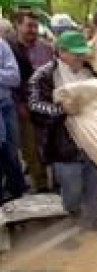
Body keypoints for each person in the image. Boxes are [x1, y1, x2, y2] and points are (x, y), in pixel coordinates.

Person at [28, 31, 97, 230]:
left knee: (95, 180)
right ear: (61, 52)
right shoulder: (44, 75)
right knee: (72, 187)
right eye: (76, 54)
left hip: (92, 138)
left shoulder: (88, 71)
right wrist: (60, 109)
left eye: (83, 53)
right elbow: (34, 105)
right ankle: (72, 209)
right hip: (63, 143)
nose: (81, 57)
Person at [12, 10, 54, 190]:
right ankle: (42, 185)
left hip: (46, 103)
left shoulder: (45, 47)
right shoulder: (10, 48)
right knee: (31, 147)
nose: (33, 30)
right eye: (29, 25)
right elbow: (12, 81)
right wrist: (19, 104)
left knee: (50, 143)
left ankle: (59, 183)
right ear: (18, 25)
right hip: (23, 105)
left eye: (35, 26)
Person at [0, 38, 26, 204]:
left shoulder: (1, 45)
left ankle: (17, 194)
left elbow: (14, 77)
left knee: (11, 152)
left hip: (5, 105)